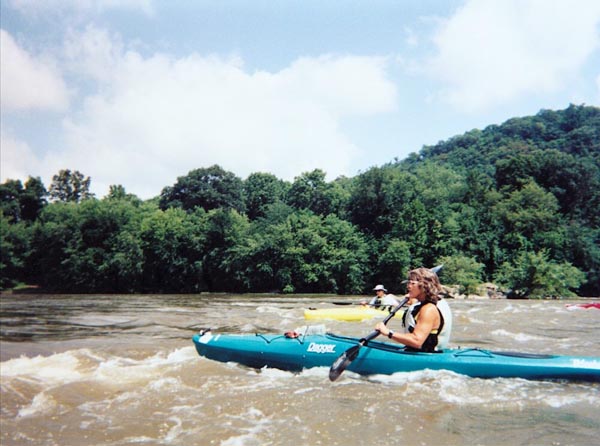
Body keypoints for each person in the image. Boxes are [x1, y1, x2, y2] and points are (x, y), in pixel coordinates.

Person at [375, 267, 451, 352]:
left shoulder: (428, 309)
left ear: (424, 286)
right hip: (419, 352)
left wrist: (388, 333)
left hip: (424, 356)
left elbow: (417, 341)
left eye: (412, 283)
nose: (408, 286)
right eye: (408, 282)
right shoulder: (426, 305)